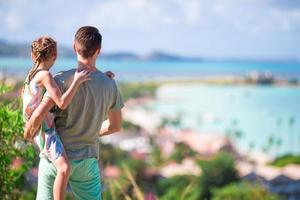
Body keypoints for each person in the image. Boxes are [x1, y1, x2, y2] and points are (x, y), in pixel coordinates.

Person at [24, 26, 124, 200]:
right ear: (98, 50)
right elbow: (115, 126)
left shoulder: (59, 80)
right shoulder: (109, 84)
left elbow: (39, 114)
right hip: (87, 160)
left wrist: (28, 132)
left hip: (55, 158)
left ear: (74, 47)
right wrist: (92, 130)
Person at [22, 36, 91, 200]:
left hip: (37, 127)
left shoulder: (30, 76)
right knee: (64, 169)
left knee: (61, 168)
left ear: (34, 55)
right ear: (55, 55)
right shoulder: (45, 75)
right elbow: (61, 102)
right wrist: (76, 81)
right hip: (45, 130)